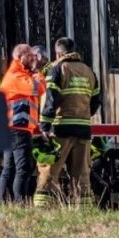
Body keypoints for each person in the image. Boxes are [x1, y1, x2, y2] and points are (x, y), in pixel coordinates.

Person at [34, 37, 102, 207]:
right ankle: (84, 206)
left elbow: (51, 99)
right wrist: (84, 114)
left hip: (61, 128)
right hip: (83, 128)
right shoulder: (89, 71)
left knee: (50, 167)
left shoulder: (57, 69)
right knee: (81, 171)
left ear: (58, 53)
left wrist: (44, 125)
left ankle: (43, 205)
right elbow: (96, 101)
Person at [0, 44, 44, 204]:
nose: (33, 58)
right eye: (30, 55)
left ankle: (6, 201)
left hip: (14, 129)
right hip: (18, 129)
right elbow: (38, 89)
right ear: (20, 56)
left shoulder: (18, 75)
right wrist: (37, 72)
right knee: (22, 168)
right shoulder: (15, 76)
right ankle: (19, 203)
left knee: (9, 168)